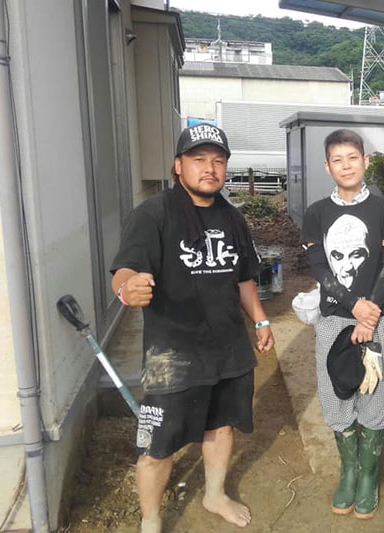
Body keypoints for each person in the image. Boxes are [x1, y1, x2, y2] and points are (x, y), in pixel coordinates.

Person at [110, 124, 275, 533]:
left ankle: (214, 494)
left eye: (218, 161)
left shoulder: (233, 217)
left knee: (222, 426)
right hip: (173, 352)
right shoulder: (153, 214)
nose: (209, 168)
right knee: (158, 444)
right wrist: (126, 289)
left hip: (228, 346)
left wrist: (261, 319)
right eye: (199, 159)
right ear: (178, 166)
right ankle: (151, 519)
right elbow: (126, 268)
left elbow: (243, 278)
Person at [301, 129, 384, 519]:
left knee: (374, 398)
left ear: (366, 162)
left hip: (379, 320)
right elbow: (320, 267)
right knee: (338, 396)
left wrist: (370, 313)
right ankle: (348, 472)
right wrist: (353, 306)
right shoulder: (316, 213)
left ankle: (368, 475)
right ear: (327, 167)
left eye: (353, 158)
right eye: (337, 160)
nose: (346, 166)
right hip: (334, 322)